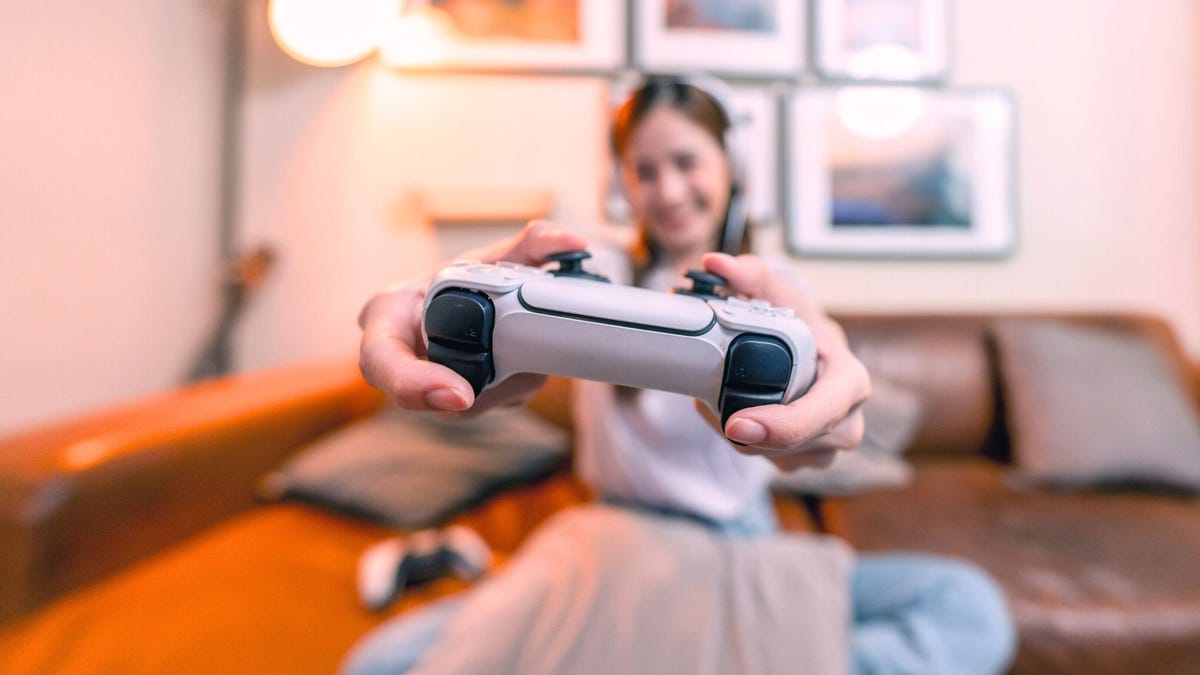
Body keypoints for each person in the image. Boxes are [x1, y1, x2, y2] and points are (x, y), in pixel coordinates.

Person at [347, 75, 1015, 674]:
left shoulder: (775, 295)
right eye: (645, 170)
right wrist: (414, 302)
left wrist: (811, 427)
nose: (668, 191)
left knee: (970, 607)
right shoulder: (594, 274)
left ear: (730, 163)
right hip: (612, 537)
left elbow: (804, 442)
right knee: (380, 661)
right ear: (623, 182)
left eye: (686, 161)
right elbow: (481, 297)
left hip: (734, 540)